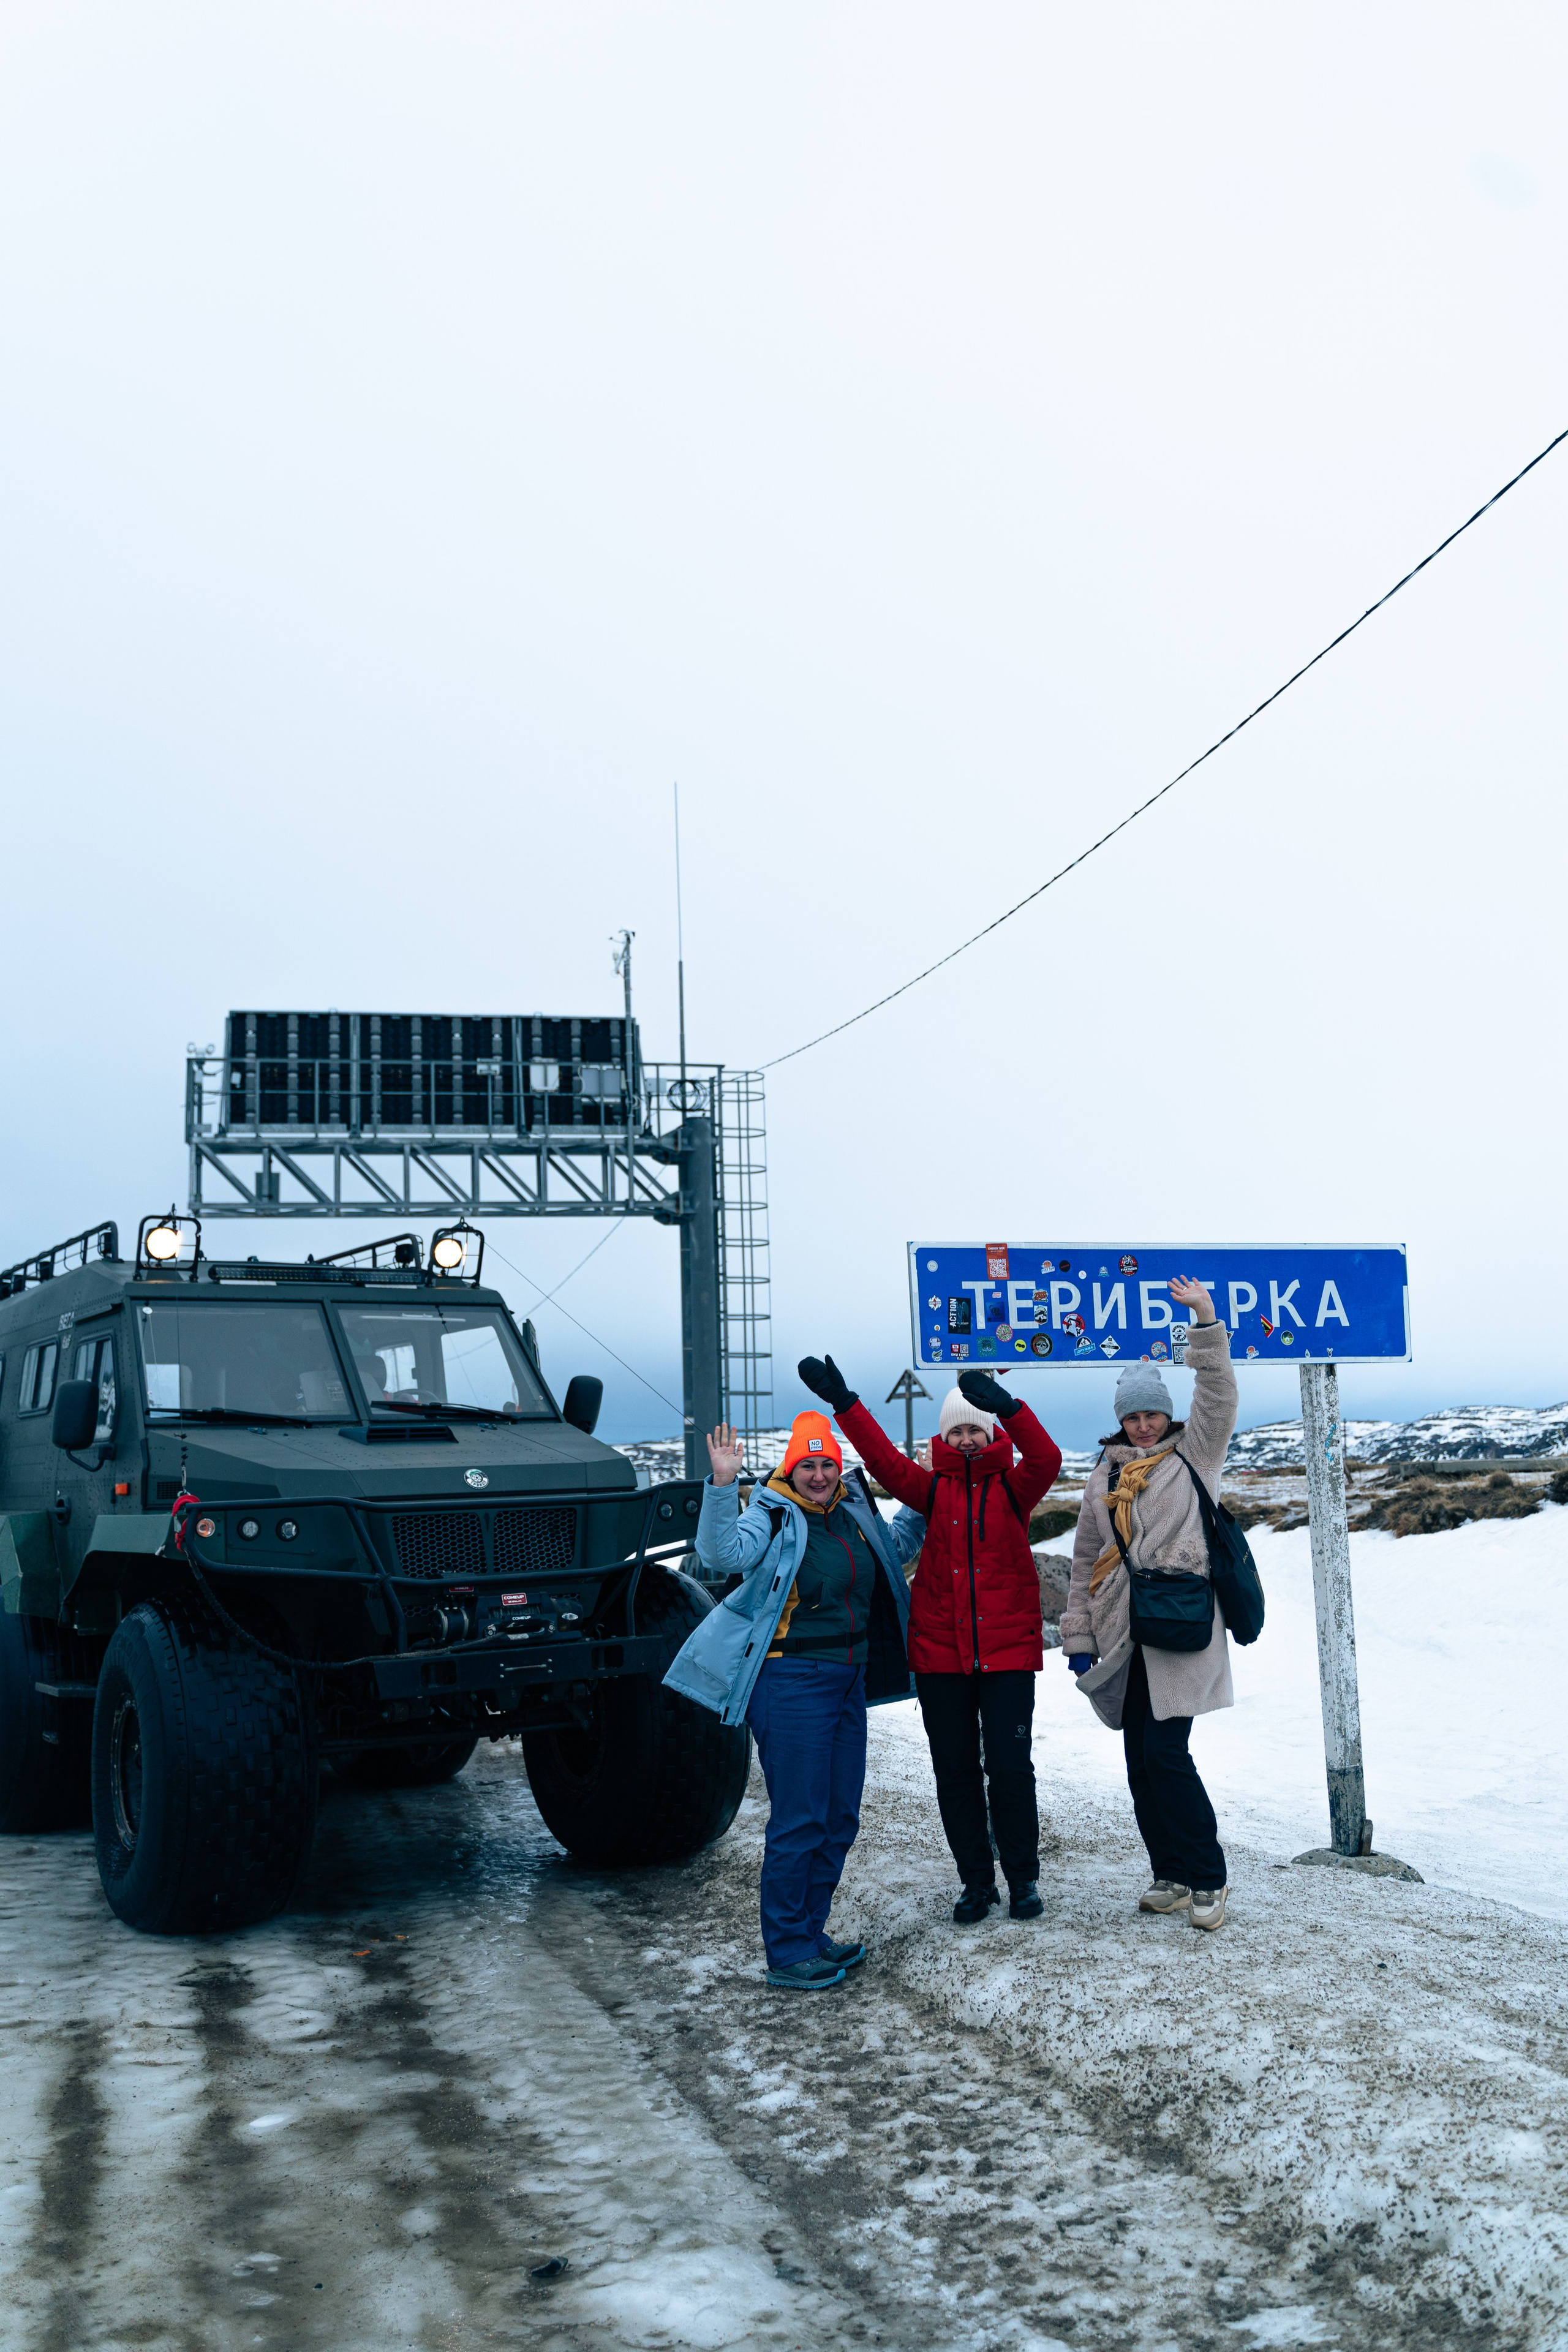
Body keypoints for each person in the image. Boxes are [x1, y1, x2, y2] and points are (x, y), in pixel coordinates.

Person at [797, 1355, 1063, 1925]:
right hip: (942, 1657)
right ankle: (975, 1882)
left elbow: (1047, 1457)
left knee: (1012, 1769)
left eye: (976, 1429)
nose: (967, 1440)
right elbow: (881, 1460)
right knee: (956, 1771)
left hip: (1007, 1656)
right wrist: (845, 1401)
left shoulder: (1016, 1489)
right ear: (944, 1438)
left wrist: (1009, 1408)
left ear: (989, 1431)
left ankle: (1023, 1879)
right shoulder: (931, 1491)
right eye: (957, 1430)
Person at [662, 1412, 922, 1991]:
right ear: (791, 1467)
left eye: (828, 1462)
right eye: (809, 1464)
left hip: (849, 1678)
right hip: (790, 1679)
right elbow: (722, 1553)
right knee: (800, 1817)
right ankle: (787, 1948)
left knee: (839, 1816)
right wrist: (723, 1486)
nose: (820, 1474)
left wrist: (923, 1496)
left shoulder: (853, 1510)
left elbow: (896, 1548)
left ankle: (811, 1931)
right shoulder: (773, 1513)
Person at [1059, 1276, 1237, 1932]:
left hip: (1181, 1628)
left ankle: (1208, 1878)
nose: (1143, 1424)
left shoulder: (1195, 1455)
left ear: (1166, 1415)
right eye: (1133, 1416)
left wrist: (1205, 1320)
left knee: (1166, 1755)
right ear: (1120, 1419)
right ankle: (1168, 1873)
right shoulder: (1103, 1473)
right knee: (1139, 1757)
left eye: (1151, 1414)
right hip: (1124, 1634)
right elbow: (1084, 1559)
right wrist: (1078, 1637)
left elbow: (1217, 1393)